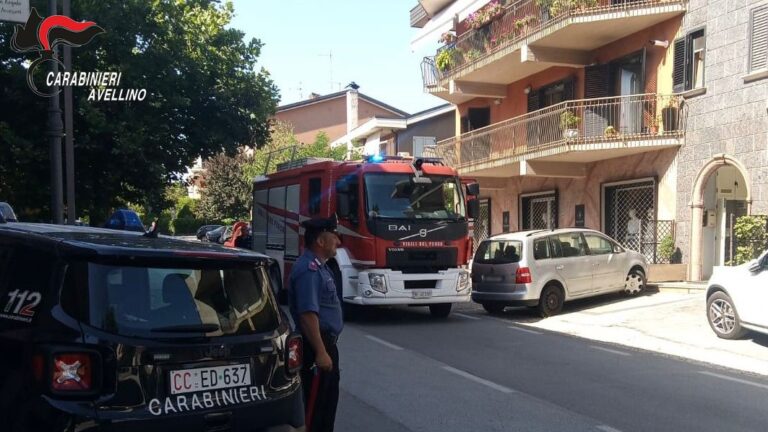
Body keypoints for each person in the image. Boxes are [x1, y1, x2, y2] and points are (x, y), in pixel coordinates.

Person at [288, 217, 343, 432]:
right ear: (321, 240)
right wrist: (321, 352)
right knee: (316, 409)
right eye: (334, 236)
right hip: (315, 347)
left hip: (324, 344)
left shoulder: (321, 267)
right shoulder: (309, 270)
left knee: (327, 405)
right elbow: (307, 315)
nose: (338, 241)